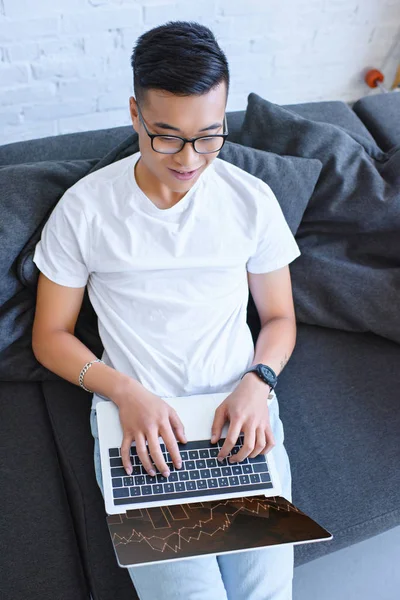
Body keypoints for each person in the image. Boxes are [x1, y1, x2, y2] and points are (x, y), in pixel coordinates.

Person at [32, 20, 300, 600]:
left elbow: (278, 318)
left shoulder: (250, 200)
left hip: (239, 419)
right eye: (168, 136)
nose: (190, 158)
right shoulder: (84, 210)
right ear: (135, 114)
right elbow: (50, 336)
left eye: (210, 135)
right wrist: (126, 394)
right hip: (142, 434)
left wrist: (260, 381)